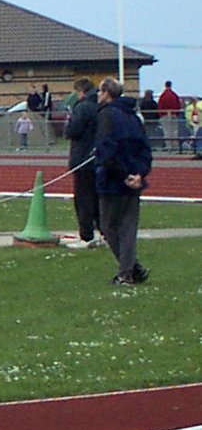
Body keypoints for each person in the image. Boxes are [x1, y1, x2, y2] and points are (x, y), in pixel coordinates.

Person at [93, 77, 152, 285]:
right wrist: (140, 174)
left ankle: (128, 269)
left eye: (100, 91)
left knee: (108, 226)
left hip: (114, 180)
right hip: (134, 179)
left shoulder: (106, 115)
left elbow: (106, 149)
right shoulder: (134, 117)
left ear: (107, 93)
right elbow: (145, 149)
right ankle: (130, 270)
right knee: (128, 227)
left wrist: (124, 175)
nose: (98, 96)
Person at [63, 77, 102, 249]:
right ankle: (104, 232)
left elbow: (73, 130)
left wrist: (69, 125)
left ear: (81, 91)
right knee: (99, 197)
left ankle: (86, 235)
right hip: (99, 157)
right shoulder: (102, 106)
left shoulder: (83, 107)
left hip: (83, 158)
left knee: (84, 198)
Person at [156, 80, 184, 150]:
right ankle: (175, 145)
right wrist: (176, 113)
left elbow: (160, 106)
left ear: (165, 85)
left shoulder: (163, 95)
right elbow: (178, 104)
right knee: (175, 131)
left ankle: (169, 146)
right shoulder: (174, 95)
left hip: (165, 115)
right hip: (174, 114)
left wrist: (160, 114)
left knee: (166, 131)